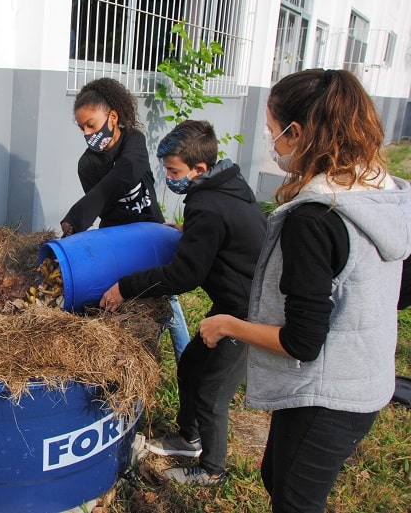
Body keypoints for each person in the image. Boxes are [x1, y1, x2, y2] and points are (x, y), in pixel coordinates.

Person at [199, 68, 411, 512]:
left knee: (295, 502)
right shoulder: (382, 192)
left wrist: (228, 323)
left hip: (330, 395)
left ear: (296, 133)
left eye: (273, 132)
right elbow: (399, 289)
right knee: (278, 476)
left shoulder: (314, 218)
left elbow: (302, 342)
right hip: (367, 380)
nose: (271, 143)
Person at [100, 119, 267, 485]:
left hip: (250, 312)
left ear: (199, 169)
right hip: (234, 298)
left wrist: (126, 287)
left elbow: (183, 276)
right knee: (192, 363)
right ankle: (189, 438)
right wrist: (190, 234)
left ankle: (211, 469)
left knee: (212, 389)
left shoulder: (207, 206)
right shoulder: (228, 185)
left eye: (174, 171)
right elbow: (220, 236)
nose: (168, 177)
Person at [60, 77, 192, 360]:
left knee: (168, 301)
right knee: (117, 303)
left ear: (113, 116)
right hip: (117, 242)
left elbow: (127, 173)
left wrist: (81, 212)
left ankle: (187, 364)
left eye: (91, 125)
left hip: (151, 235)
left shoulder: (133, 142)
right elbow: (103, 202)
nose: (87, 133)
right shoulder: (87, 164)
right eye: (82, 128)